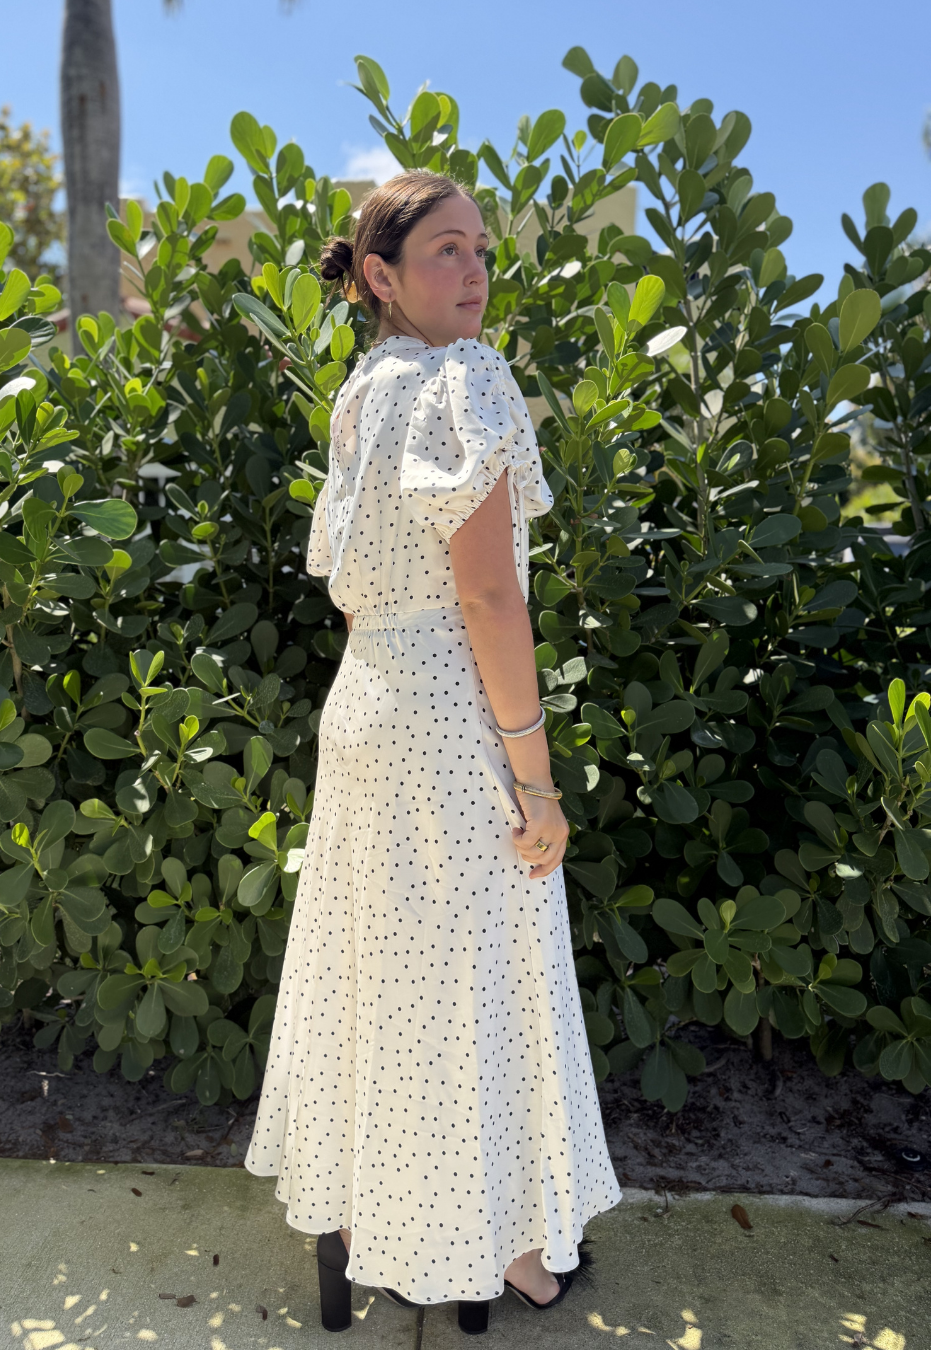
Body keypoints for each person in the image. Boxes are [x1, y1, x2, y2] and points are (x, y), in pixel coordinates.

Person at [243, 168, 622, 1334]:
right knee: (475, 987)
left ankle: (365, 1225)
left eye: (481, 250)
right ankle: (501, 1247)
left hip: (367, 713)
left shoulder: (363, 394)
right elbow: (491, 598)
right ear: (380, 275)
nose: (475, 271)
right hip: (453, 727)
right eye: (446, 249)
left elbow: (360, 585)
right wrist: (535, 779)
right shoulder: (465, 382)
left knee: (377, 981)